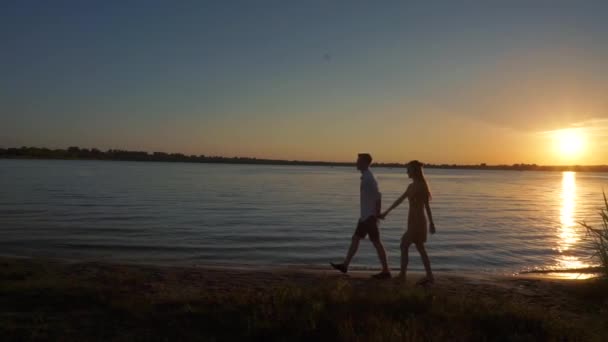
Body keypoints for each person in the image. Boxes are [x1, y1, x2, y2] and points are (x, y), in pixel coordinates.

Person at [330, 153, 391, 279]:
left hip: (369, 217)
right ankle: (345, 265)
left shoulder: (369, 178)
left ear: (365, 163)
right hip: (365, 217)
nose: (356, 163)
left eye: (358, 161)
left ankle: (386, 271)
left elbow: (378, 196)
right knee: (356, 238)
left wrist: (376, 214)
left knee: (376, 243)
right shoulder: (365, 176)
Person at [379, 160, 435, 285]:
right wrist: (386, 212)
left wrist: (432, 223)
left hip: (418, 222)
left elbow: (427, 206)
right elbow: (399, 200)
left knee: (404, 244)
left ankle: (403, 275)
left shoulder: (422, 186)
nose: (406, 172)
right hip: (412, 221)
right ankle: (429, 277)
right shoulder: (411, 186)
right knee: (420, 248)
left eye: (408, 169)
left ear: (414, 171)